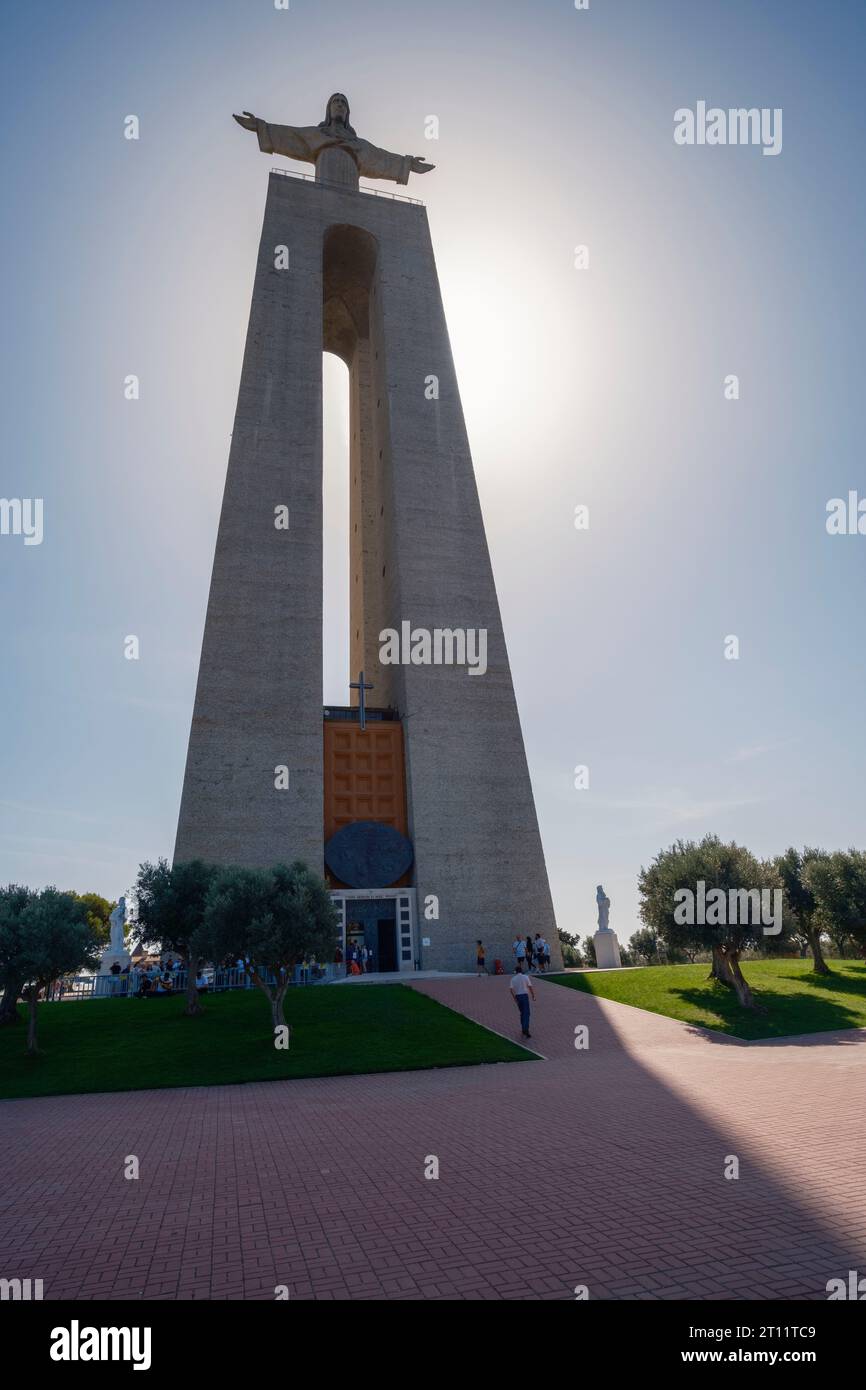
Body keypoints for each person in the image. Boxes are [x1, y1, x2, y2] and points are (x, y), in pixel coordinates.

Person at [509, 965, 536, 1038]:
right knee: (526, 1013)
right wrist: (533, 995)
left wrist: (514, 998)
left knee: (522, 1012)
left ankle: (523, 1028)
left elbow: (511, 989)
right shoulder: (525, 977)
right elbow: (530, 986)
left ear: (516, 971)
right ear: (521, 970)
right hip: (524, 996)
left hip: (518, 996)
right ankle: (525, 1029)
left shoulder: (513, 979)